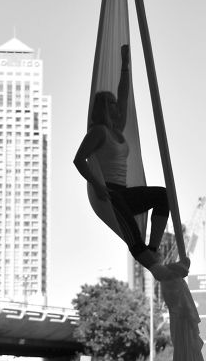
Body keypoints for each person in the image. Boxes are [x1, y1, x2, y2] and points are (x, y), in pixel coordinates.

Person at [74, 44, 188, 281]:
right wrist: (97, 185)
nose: (117, 108)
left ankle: (154, 252)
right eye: (112, 105)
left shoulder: (117, 131)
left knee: (163, 196)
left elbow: (124, 95)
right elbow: (79, 160)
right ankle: (158, 270)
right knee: (133, 236)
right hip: (109, 195)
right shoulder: (98, 132)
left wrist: (125, 67)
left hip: (123, 193)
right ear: (104, 109)